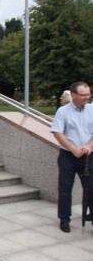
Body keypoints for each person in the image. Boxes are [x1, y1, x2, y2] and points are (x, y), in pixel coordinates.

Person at [50, 81, 93, 233]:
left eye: (88, 94)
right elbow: (57, 132)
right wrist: (73, 149)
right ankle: (64, 219)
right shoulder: (63, 111)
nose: (87, 97)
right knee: (65, 188)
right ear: (73, 95)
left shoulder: (92, 109)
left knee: (91, 188)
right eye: (83, 95)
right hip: (68, 156)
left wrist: (88, 146)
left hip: (88, 155)